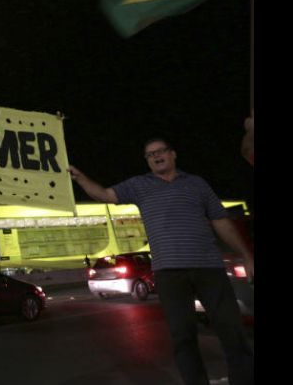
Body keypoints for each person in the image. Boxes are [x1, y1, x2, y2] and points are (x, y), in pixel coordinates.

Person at [68, 138, 254, 385]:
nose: (156, 156)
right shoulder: (139, 185)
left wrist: (247, 255)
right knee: (183, 338)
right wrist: (80, 177)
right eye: (149, 154)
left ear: (173, 154)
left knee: (232, 332)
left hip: (209, 268)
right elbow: (104, 194)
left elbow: (220, 221)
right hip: (169, 274)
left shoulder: (197, 184)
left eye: (160, 151)